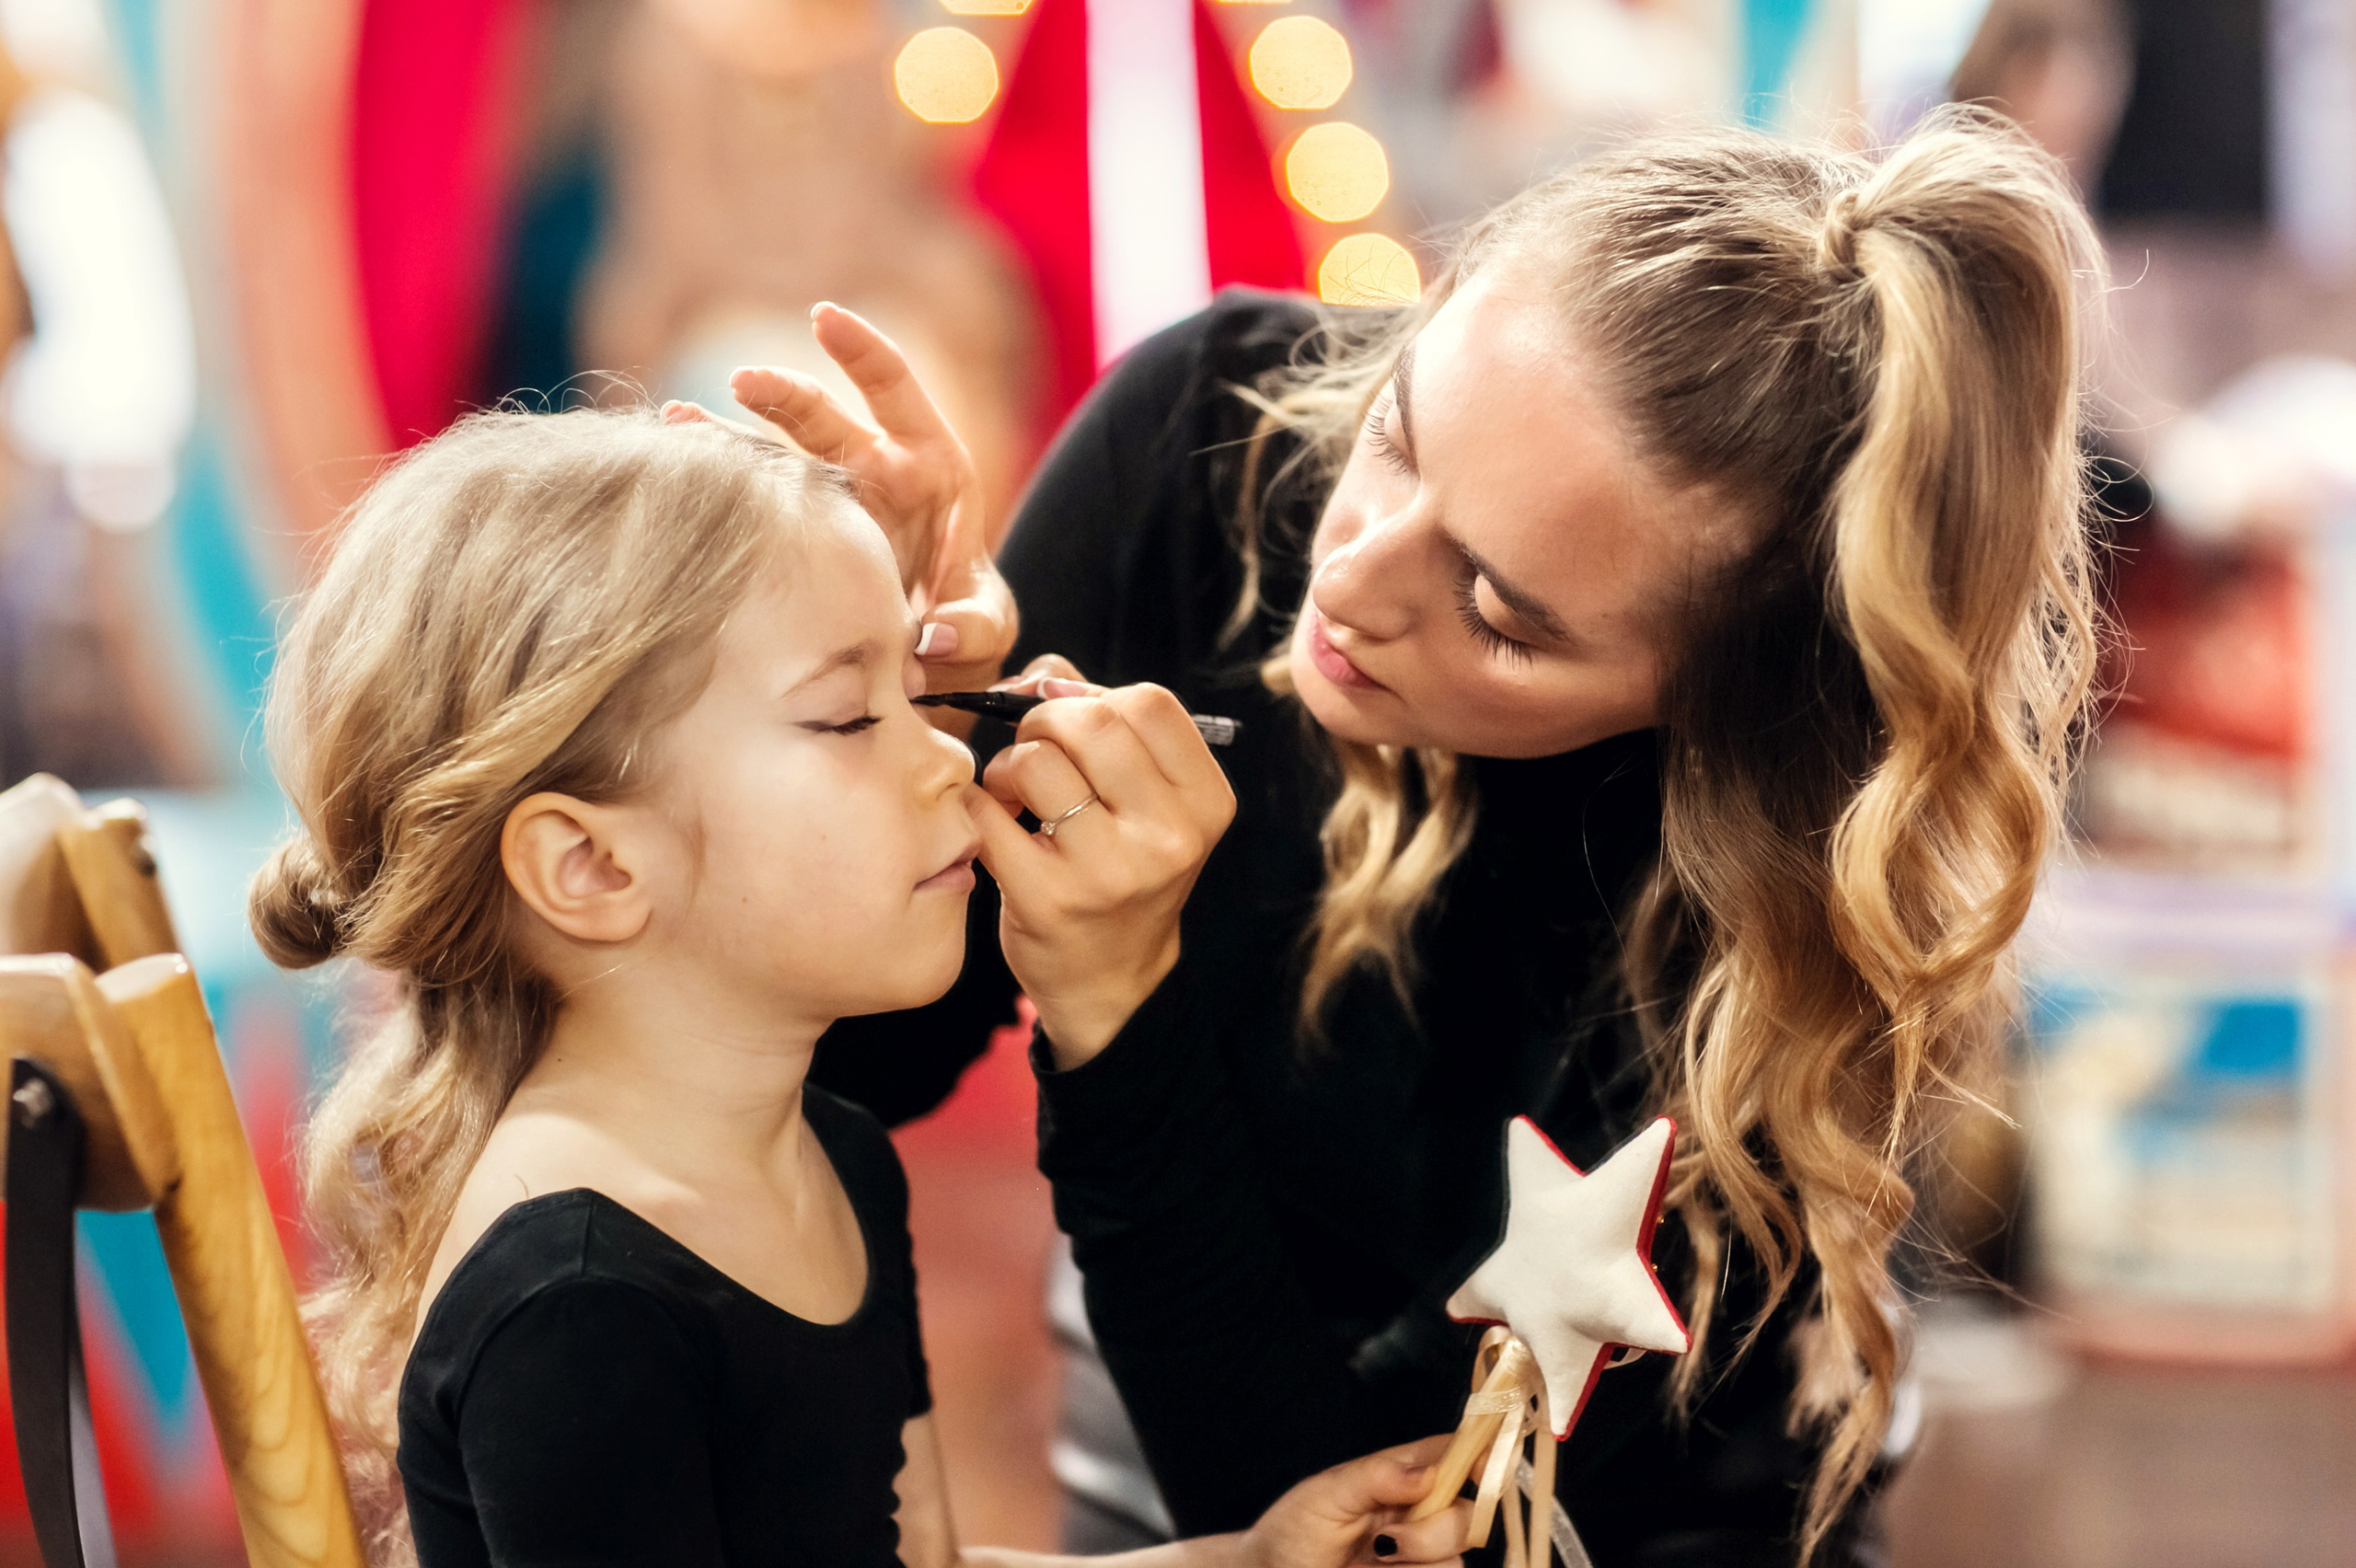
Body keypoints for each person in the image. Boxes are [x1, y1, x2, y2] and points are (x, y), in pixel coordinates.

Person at [784, 109, 2105, 1566]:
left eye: (1498, 613)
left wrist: (1113, 1004)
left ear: (1719, 705)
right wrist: (870, 720)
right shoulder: (1208, 436)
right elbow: (843, 1075)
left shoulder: (1764, 944)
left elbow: (1335, 1537)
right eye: (1397, 440)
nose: (1347, 576)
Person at [249, 407, 1470, 1568]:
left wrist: (1239, 1556)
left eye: (915, 694)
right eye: (845, 718)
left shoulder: (831, 1154)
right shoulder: (576, 1308)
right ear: (593, 864)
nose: (950, 759)